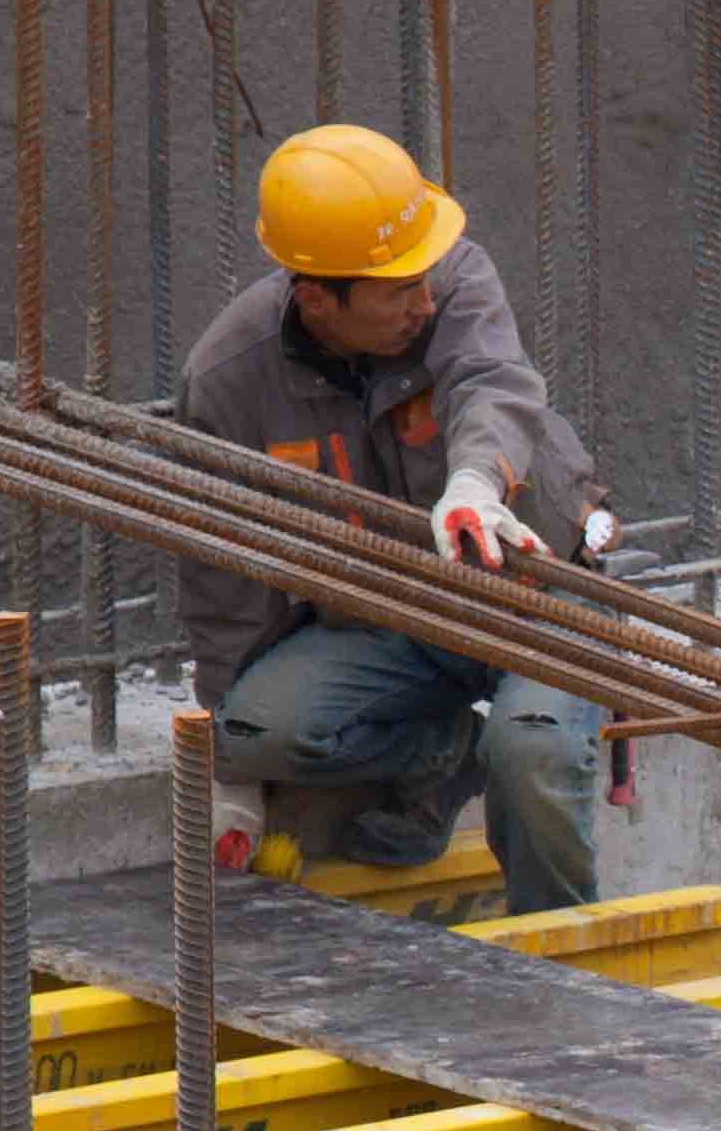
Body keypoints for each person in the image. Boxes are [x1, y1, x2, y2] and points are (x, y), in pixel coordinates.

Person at [177, 123, 613, 911]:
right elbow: (222, 578)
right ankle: (442, 756)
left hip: (534, 592)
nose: (425, 299)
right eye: (397, 291)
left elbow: (492, 383)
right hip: (388, 619)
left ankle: (560, 963)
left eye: (423, 278)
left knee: (535, 749)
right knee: (253, 731)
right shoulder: (229, 377)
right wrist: (232, 776)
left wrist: (476, 484)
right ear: (316, 298)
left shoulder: (453, 277)